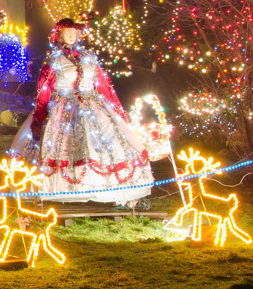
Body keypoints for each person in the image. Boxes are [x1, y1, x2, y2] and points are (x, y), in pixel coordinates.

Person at [10, 18, 153, 205]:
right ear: (59, 35)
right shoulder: (53, 61)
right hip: (63, 109)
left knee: (97, 146)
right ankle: (63, 188)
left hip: (92, 107)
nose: (70, 36)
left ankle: (99, 186)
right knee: (65, 147)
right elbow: (43, 90)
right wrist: (39, 118)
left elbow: (103, 85)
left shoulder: (88, 57)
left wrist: (117, 109)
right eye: (66, 32)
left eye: (73, 32)